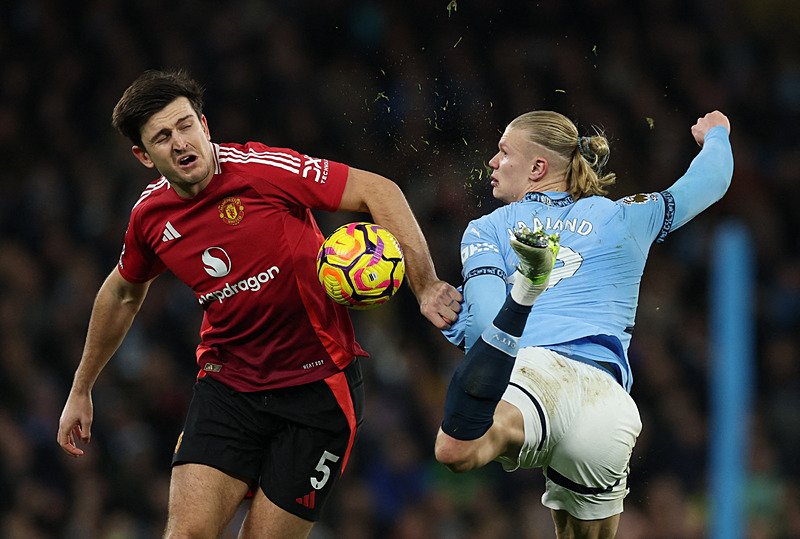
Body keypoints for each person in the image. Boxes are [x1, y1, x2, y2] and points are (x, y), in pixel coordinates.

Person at [56, 69, 462, 539]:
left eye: (186, 125)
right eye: (162, 137)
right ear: (143, 156)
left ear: (204, 127)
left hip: (318, 391)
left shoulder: (264, 171)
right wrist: (82, 386)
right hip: (229, 387)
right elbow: (123, 290)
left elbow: (379, 190)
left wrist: (426, 284)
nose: (180, 142)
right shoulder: (150, 217)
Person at [434, 110, 733, 538]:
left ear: (538, 168)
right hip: (606, 402)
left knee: (455, 450)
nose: (492, 162)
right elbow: (712, 180)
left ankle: (526, 289)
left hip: (534, 376)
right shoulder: (626, 215)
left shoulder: (489, 229)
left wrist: (453, 323)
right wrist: (717, 133)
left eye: (503, 152)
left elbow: (485, 328)